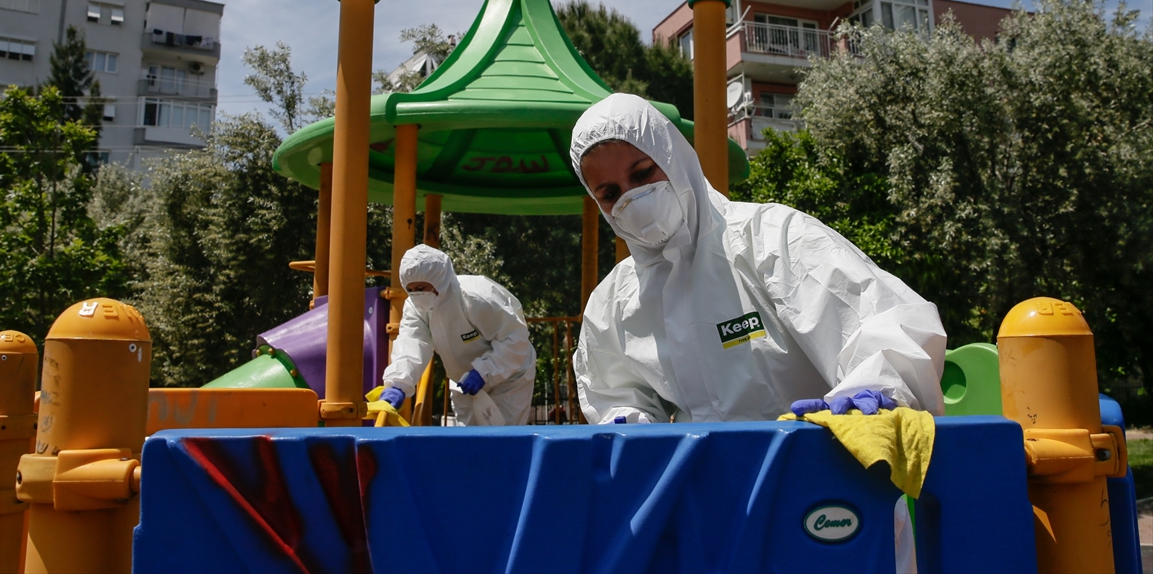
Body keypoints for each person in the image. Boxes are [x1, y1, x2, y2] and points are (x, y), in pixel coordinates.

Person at [570, 94, 947, 425]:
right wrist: (636, 429)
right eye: (609, 192)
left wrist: (873, 391)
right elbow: (613, 394)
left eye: (642, 173)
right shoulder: (614, 303)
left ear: (673, 155)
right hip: (709, 493)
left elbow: (880, 323)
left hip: (822, 475)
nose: (632, 198)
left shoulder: (773, 238)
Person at [377, 245, 536, 426]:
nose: (416, 295)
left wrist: (484, 371)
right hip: (465, 382)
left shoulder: (478, 298)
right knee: (468, 441)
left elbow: (515, 340)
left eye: (421, 287)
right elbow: (412, 342)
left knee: (504, 439)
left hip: (509, 377)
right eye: (410, 289)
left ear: (439, 281)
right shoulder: (415, 307)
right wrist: (398, 383)